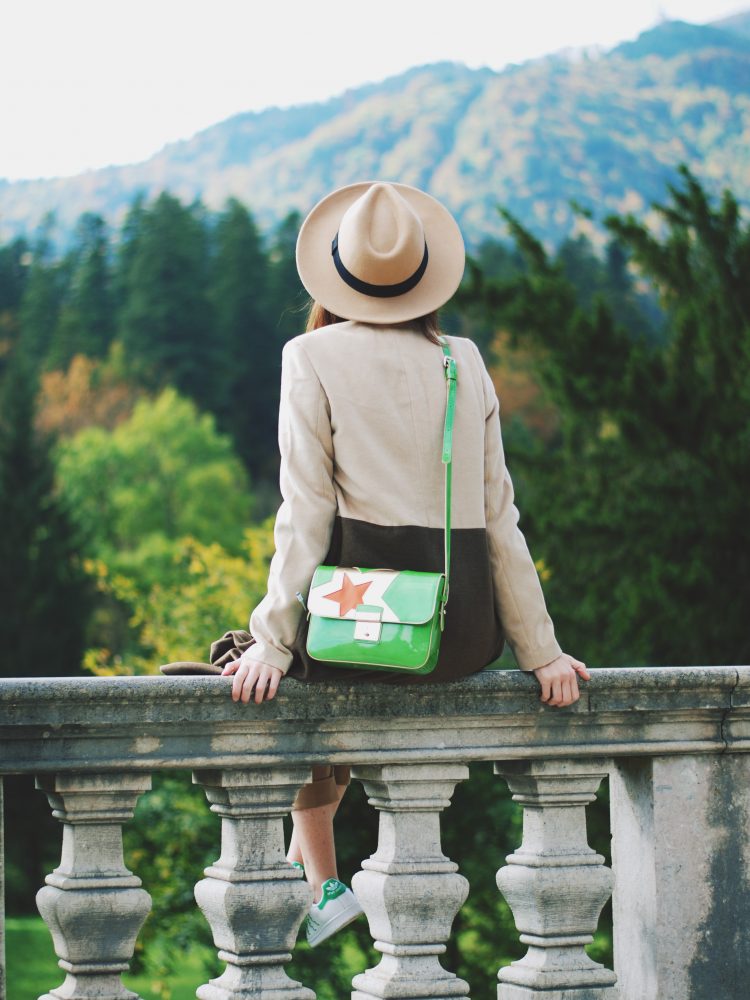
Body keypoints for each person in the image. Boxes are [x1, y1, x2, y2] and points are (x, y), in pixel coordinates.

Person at [221, 180, 590, 946]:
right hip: (455, 636)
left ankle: (321, 880)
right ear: (424, 278)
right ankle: (309, 876)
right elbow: (499, 522)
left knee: (266, 661)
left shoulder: (309, 355)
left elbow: (307, 515)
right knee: (300, 652)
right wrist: (543, 652)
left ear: (337, 272)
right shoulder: (465, 360)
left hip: (361, 626)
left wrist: (271, 639)